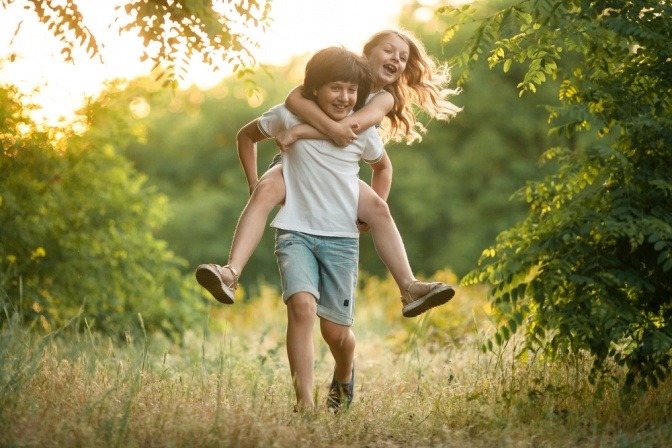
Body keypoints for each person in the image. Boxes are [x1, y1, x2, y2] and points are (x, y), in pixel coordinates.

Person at [196, 29, 461, 317]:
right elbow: (294, 98)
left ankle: (409, 287)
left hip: (339, 176)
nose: (396, 60)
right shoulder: (335, 75)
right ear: (367, 51)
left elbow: (350, 131)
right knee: (265, 190)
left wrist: (301, 131)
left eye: (403, 58)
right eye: (389, 51)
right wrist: (252, 181)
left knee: (379, 208)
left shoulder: (384, 99)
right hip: (297, 166)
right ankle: (230, 273)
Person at [233, 46, 384, 411]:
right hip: (295, 232)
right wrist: (255, 185)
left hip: (341, 240)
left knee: (335, 332)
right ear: (314, 88)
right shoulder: (285, 116)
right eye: (335, 87)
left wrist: (372, 208)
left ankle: (344, 371)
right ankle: (304, 406)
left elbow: (382, 167)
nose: (344, 97)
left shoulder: (359, 130)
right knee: (301, 307)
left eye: (351, 90)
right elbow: (245, 136)